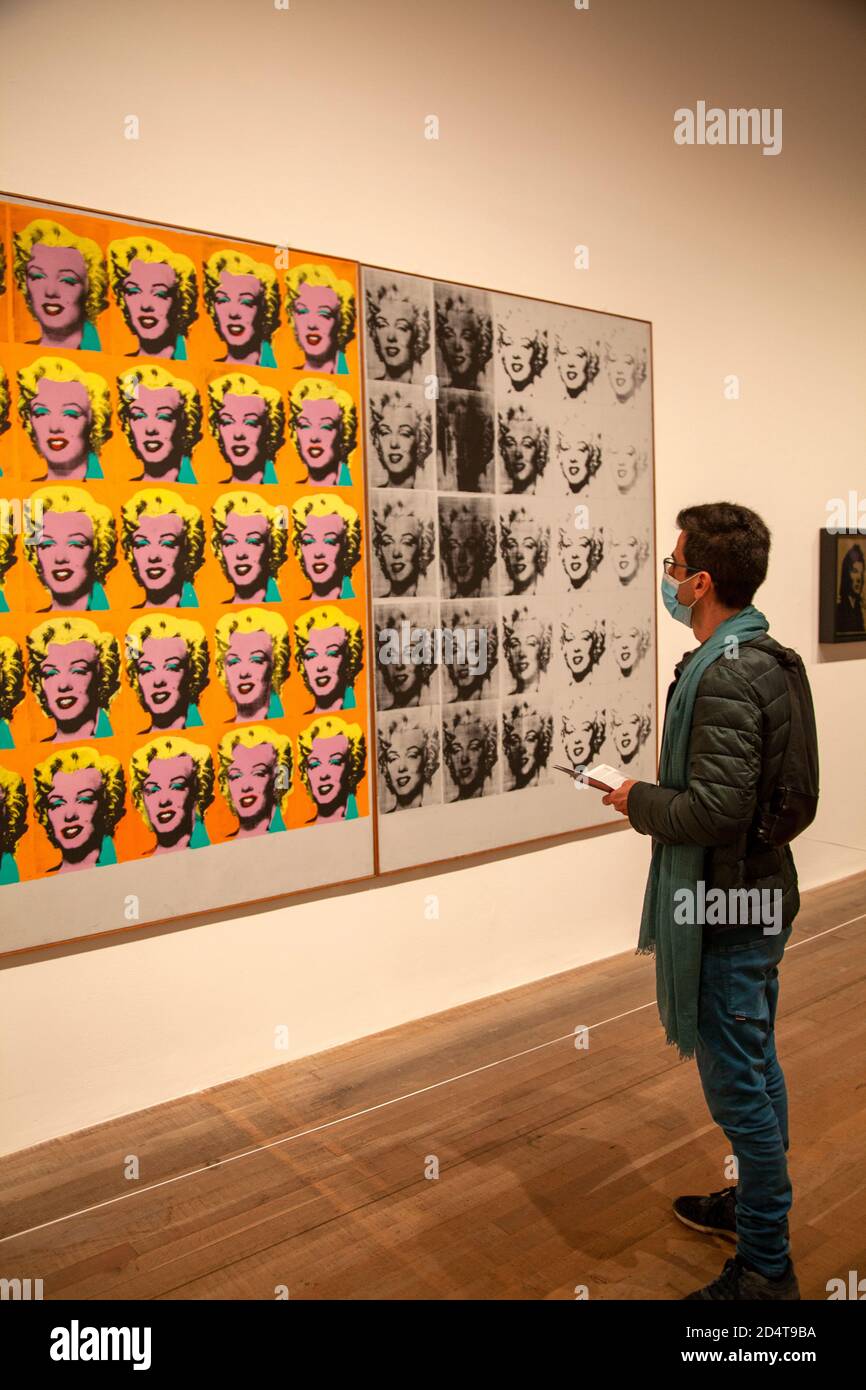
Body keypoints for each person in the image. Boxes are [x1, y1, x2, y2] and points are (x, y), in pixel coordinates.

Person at [602, 502, 816, 1302]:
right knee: (756, 1058)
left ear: (701, 583)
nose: (666, 577)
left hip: (729, 903)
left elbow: (715, 810)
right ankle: (755, 1203)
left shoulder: (726, 673)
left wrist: (636, 799)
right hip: (758, 893)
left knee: (735, 1080)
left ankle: (767, 1265)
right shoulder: (763, 656)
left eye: (673, 565)